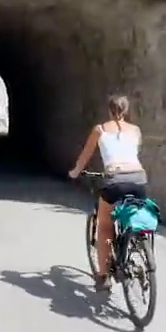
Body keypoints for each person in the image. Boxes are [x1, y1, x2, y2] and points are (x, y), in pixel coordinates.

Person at [68, 94, 147, 291]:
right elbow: (132, 152)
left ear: (109, 110)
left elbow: (85, 156)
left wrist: (75, 172)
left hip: (115, 180)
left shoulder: (100, 130)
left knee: (104, 226)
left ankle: (103, 277)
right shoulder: (136, 130)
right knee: (134, 217)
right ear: (126, 110)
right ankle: (139, 252)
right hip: (139, 178)